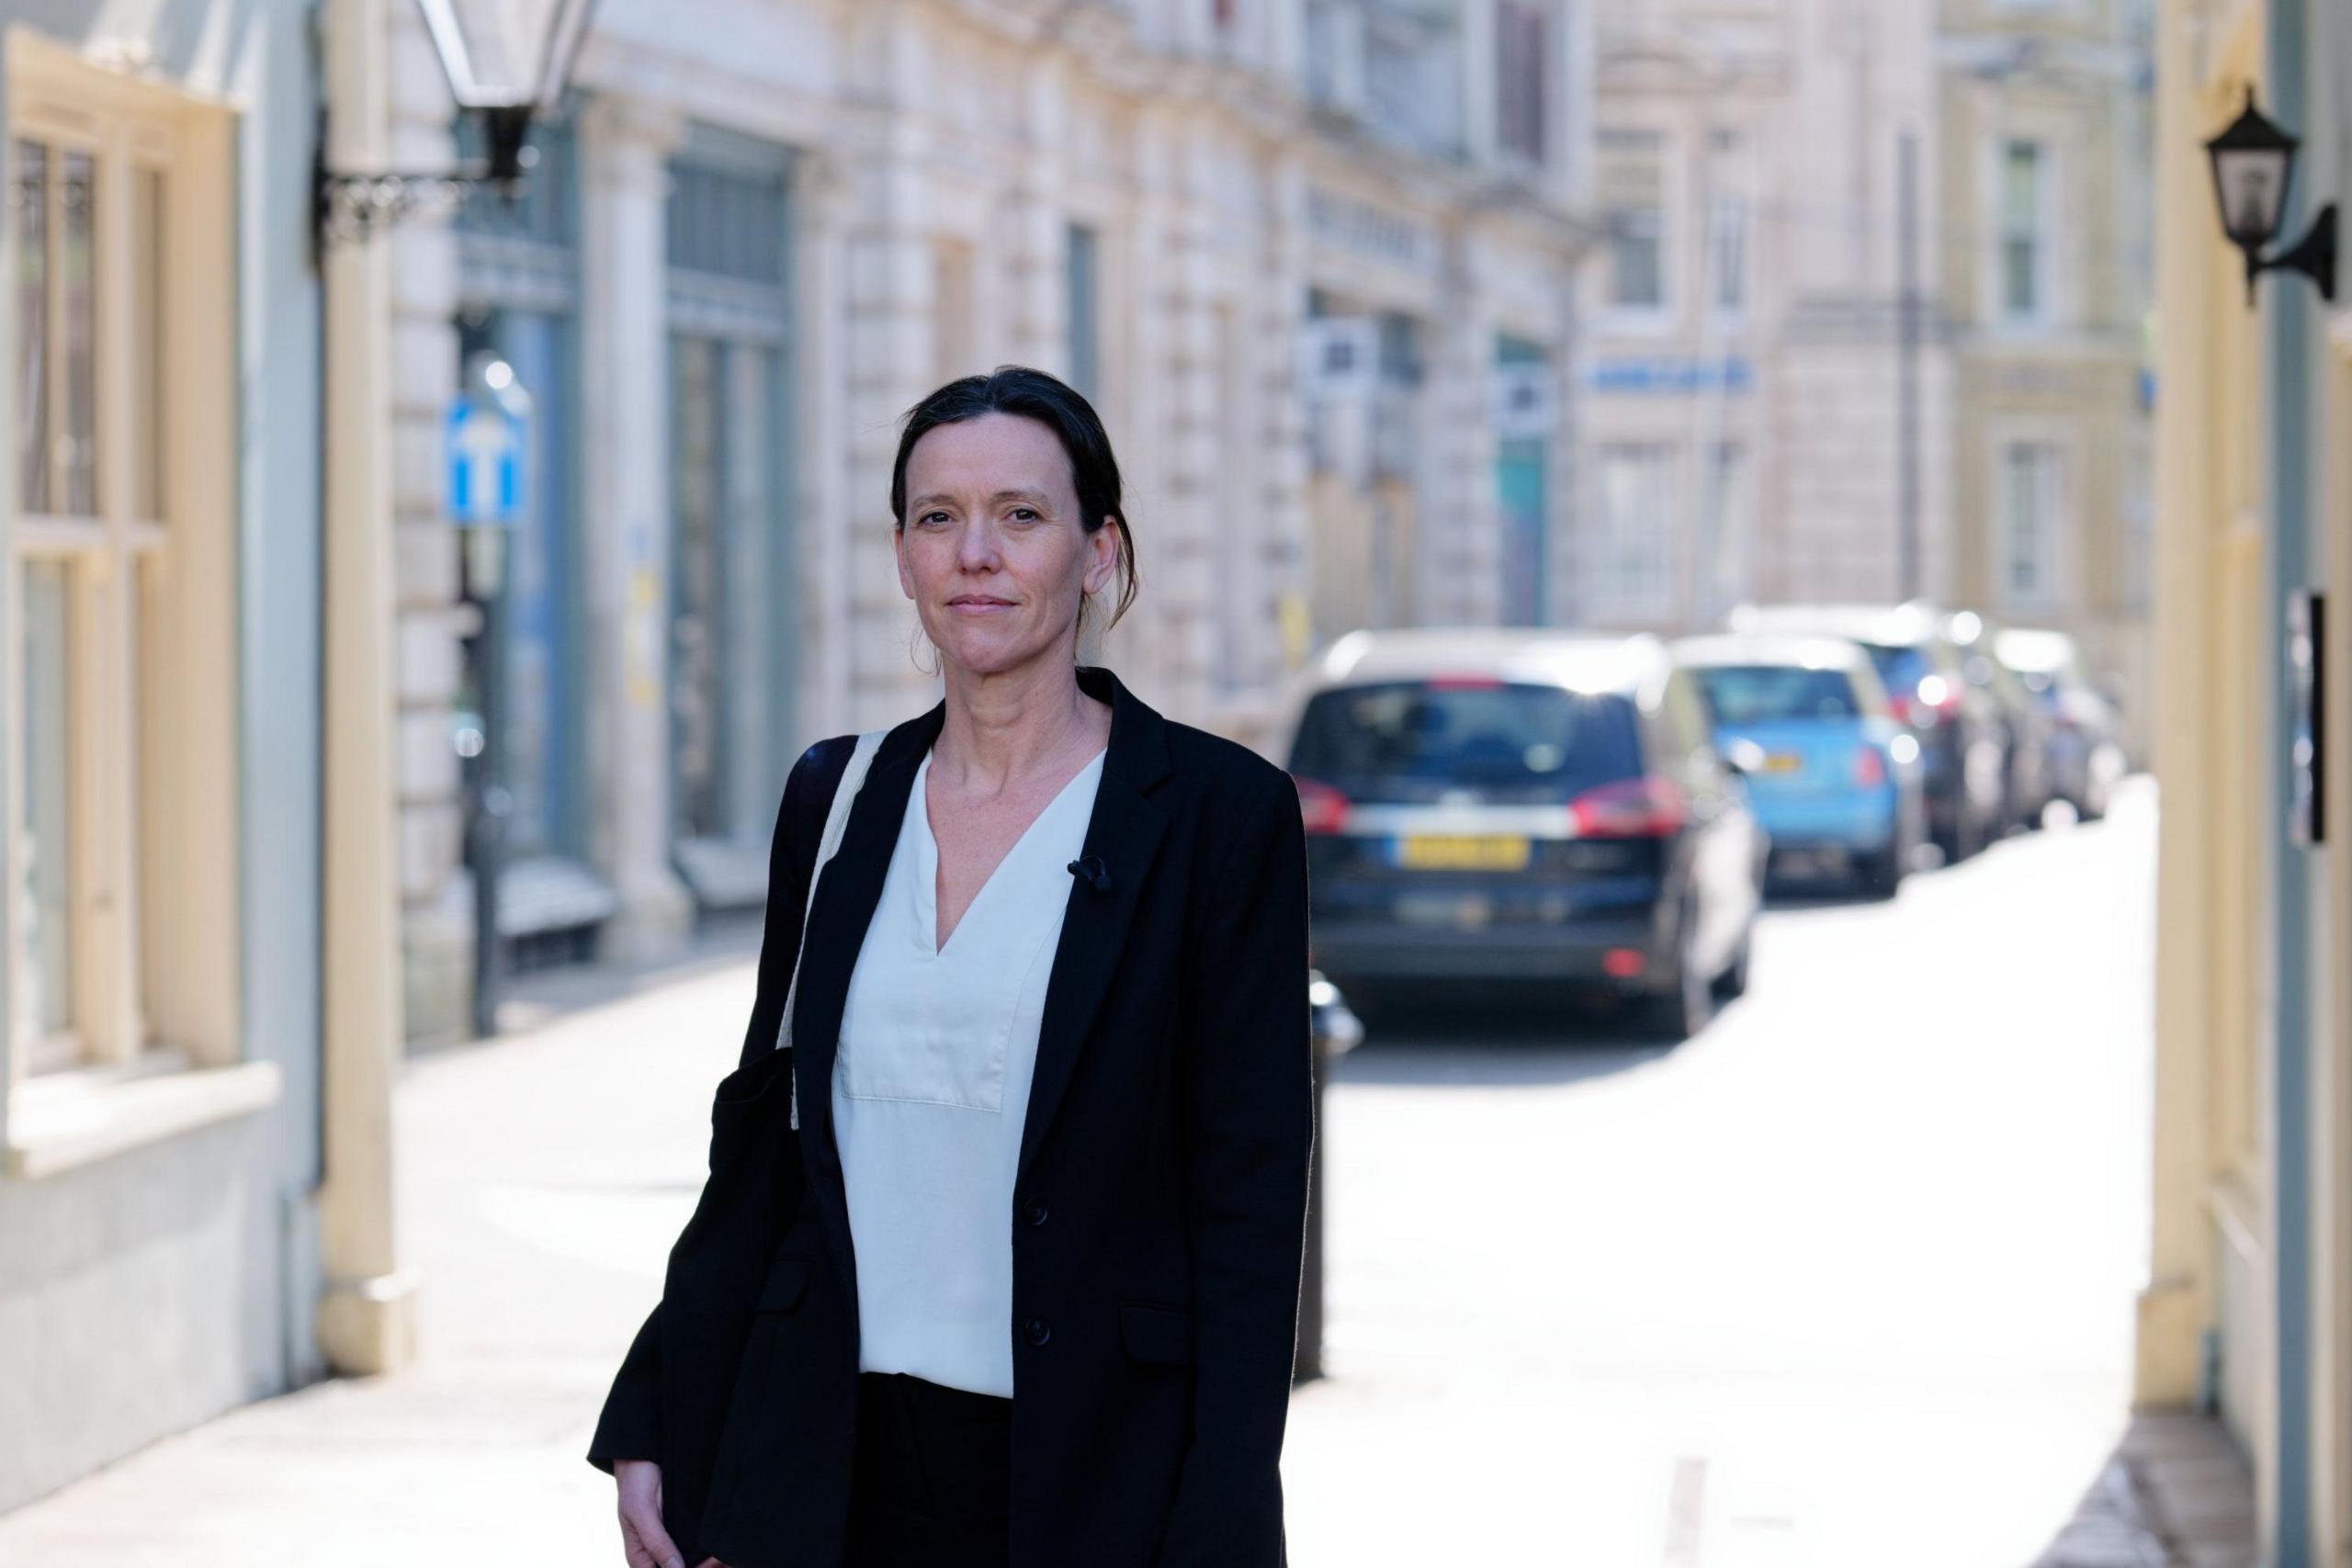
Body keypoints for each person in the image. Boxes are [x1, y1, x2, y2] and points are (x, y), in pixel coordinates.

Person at [587, 366, 1314, 1568]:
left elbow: (1249, 1208)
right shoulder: (837, 797)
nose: (976, 553)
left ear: (1096, 552)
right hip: (823, 1464)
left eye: (1021, 516)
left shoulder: (1217, 819)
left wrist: (1226, 1520)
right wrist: (660, 1408)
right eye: (939, 518)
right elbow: (763, 1148)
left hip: (1096, 1476)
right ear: (903, 555)